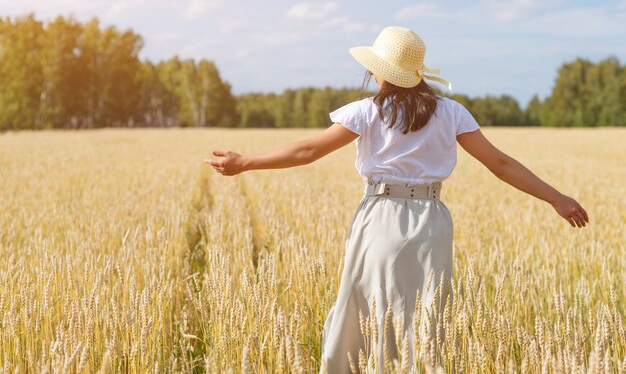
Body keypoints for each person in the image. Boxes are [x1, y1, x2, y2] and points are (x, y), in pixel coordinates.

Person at [204, 26, 589, 373]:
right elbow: (502, 165)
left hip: (380, 217)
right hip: (432, 221)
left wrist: (246, 162)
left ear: (381, 72)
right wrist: (556, 198)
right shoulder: (452, 112)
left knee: (368, 308)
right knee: (424, 316)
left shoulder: (366, 112)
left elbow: (307, 152)